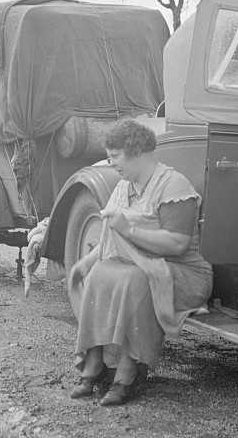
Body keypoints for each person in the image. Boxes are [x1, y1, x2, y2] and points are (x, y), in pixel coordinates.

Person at [68, 119, 213, 407]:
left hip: (184, 274)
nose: (111, 163)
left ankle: (128, 373)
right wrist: (84, 264)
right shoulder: (125, 187)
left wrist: (131, 230)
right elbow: (112, 234)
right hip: (146, 264)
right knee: (99, 273)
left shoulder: (173, 185)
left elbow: (177, 244)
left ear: (136, 152)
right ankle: (95, 365)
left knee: (135, 279)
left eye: (116, 156)